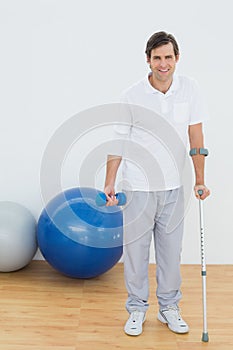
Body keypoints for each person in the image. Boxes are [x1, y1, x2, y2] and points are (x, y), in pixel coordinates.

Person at [103, 31, 210, 336]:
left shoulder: (190, 89)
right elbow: (119, 140)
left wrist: (200, 179)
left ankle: (169, 308)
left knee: (170, 253)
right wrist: (110, 182)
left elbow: (196, 136)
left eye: (169, 57)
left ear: (177, 58)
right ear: (148, 60)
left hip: (174, 185)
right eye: (157, 58)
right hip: (137, 186)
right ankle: (137, 308)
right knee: (136, 253)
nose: (163, 64)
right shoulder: (131, 95)